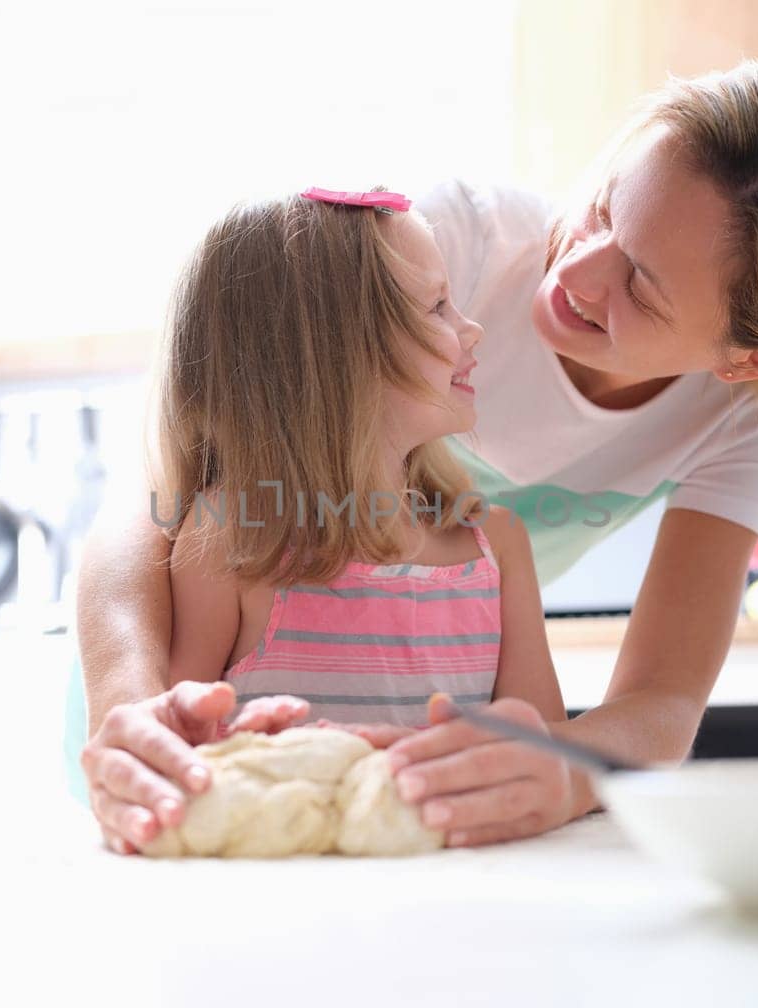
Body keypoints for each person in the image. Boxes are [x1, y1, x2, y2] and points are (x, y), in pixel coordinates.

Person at [72, 61, 758, 852]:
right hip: (153, 708)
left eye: (642, 286)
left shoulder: (742, 419)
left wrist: (562, 769)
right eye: (603, 205)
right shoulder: (447, 241)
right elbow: (158, 498)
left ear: (751, 357)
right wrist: (132, 708)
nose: (577, 272)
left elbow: (662, 701)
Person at [82, 186, 568, 853]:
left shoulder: (496, 547)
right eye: (437, 307)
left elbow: (543, 761)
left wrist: (516, 745)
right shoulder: (228, 543)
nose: (471, 327)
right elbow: (176, 755)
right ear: (333, 356)